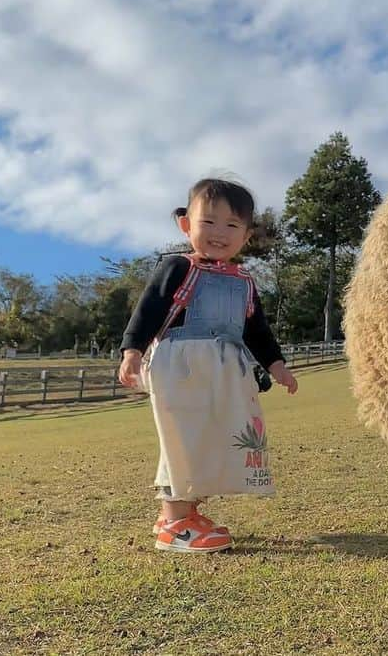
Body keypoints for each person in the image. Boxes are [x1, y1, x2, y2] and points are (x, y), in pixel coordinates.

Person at [119, 177, 298, 553]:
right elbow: (148, 310)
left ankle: (187, 510)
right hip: (182, 367)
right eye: (209, 222)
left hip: (225, 372)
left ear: (246, 235)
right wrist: (132, 350)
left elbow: (256, 330)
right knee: (183, 437)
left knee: (215, 437)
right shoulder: (177, 268)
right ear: (186, 225)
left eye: (232, 225)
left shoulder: (244, 281)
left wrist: (276, 365)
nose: (220, 233)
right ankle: (174, 523)